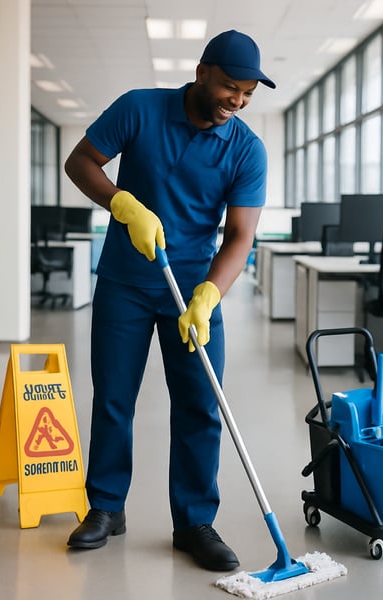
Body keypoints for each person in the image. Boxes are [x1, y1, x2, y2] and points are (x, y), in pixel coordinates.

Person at [63, 30, 275, 571]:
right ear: (202, 72)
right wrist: (122, 203)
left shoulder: (246, 149)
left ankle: (194, 522)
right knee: (113, 398)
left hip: (193, 293)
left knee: (202, 405)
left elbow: (240, 237)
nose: (239, 100)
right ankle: (107, 507)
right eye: (231, 86)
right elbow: (81, 162)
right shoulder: (140, 109)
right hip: (124, 284)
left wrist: (208, 295)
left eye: (248, 92)